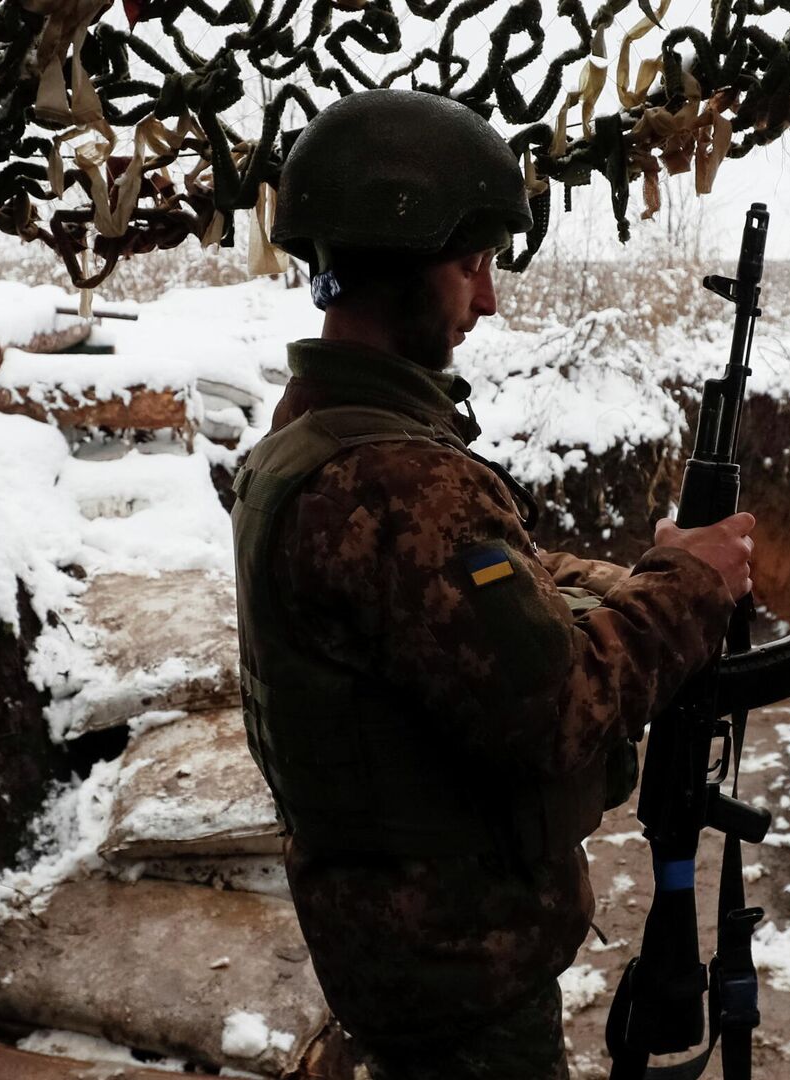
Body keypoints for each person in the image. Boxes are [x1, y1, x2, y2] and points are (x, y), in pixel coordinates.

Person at [229, 88, 756, 1080]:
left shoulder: (313, 436)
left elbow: (480, 581)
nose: (488, 300)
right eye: (472, 266)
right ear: (398, 266)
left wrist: (635, 577)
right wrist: (686, 587)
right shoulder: (395, 482)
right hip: (458, 982)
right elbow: (561, 706)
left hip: (393, 951)